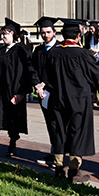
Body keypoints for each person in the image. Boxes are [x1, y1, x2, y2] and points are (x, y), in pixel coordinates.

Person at [43, 19, 99, 183]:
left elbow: (46, 77)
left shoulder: (53, 53)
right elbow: (96, 76)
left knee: (60, 133)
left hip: (57, 100)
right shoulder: (83, 54)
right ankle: (74, 171)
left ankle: (59, 167)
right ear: (78, 35)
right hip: (78, 101)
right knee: (77, 133)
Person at [0, 17, 31, 157]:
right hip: (0, 92)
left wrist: (21, 93)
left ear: (13, 34)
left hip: (13, 93)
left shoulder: (20, 51)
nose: (3, 36)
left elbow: (24, 74)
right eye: (2, 33)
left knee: (13, 120)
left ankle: (12, 145)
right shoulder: (1, 51)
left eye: (6, 33)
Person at [30, 16, 60, 168]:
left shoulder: (60, 50)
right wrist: (37, 85)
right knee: (50, 124)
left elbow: (60, 73)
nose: (45, 35)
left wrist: (45, 84)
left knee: (57, 124)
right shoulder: (39, 50)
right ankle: (54, 151)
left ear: (54, 32)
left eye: (48, 32)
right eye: (43, 32)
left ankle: (58, 154)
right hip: (42, 94)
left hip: (56, 93)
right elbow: (33, 69)